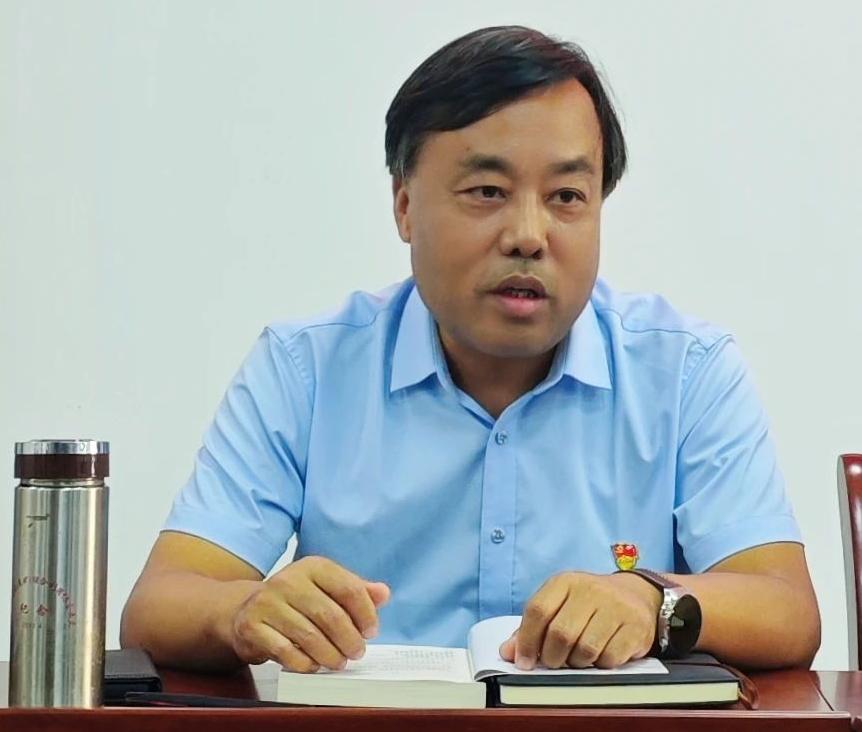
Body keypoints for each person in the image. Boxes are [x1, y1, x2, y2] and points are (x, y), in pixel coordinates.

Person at [121, 25, 820, 673]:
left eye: (566, 196)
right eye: (488, 191)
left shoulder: (685, 371)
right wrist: (245, 611)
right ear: (404, 205)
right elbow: (159, 607)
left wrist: (651, 600)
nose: (528, 235)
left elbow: (786, 609)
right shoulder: (306, 370)